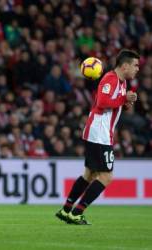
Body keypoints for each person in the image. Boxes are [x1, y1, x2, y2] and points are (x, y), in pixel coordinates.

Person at [56, 49, 140, 225]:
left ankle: (66, 210)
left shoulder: (122, 82)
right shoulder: (110, 78)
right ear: (124, 66)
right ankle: (77, 213)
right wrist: (124, 98)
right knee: (106, 176)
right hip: (99, 132)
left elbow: (113, 104)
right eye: (135, 65)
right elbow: (102, 102)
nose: (137, 69)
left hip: (98, 131)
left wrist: (125, 103)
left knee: (90, 174)